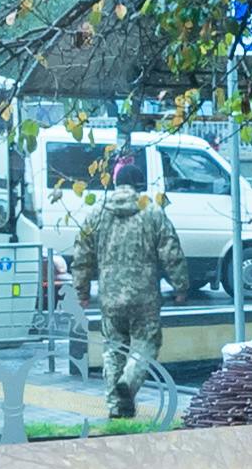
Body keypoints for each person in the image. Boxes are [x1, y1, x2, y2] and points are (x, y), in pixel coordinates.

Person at [71, 160, 186, 422]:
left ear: (115, 183)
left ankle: (116, 406)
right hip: (145, 296)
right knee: (146, 343)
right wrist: (180, 286)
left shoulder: (97, 214)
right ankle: (129, 382)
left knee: (113, 348)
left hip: (110, 297)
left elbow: (82, 256)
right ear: (140, 185)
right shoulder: (153, 213)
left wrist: (82, 291)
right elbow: (171, 252)